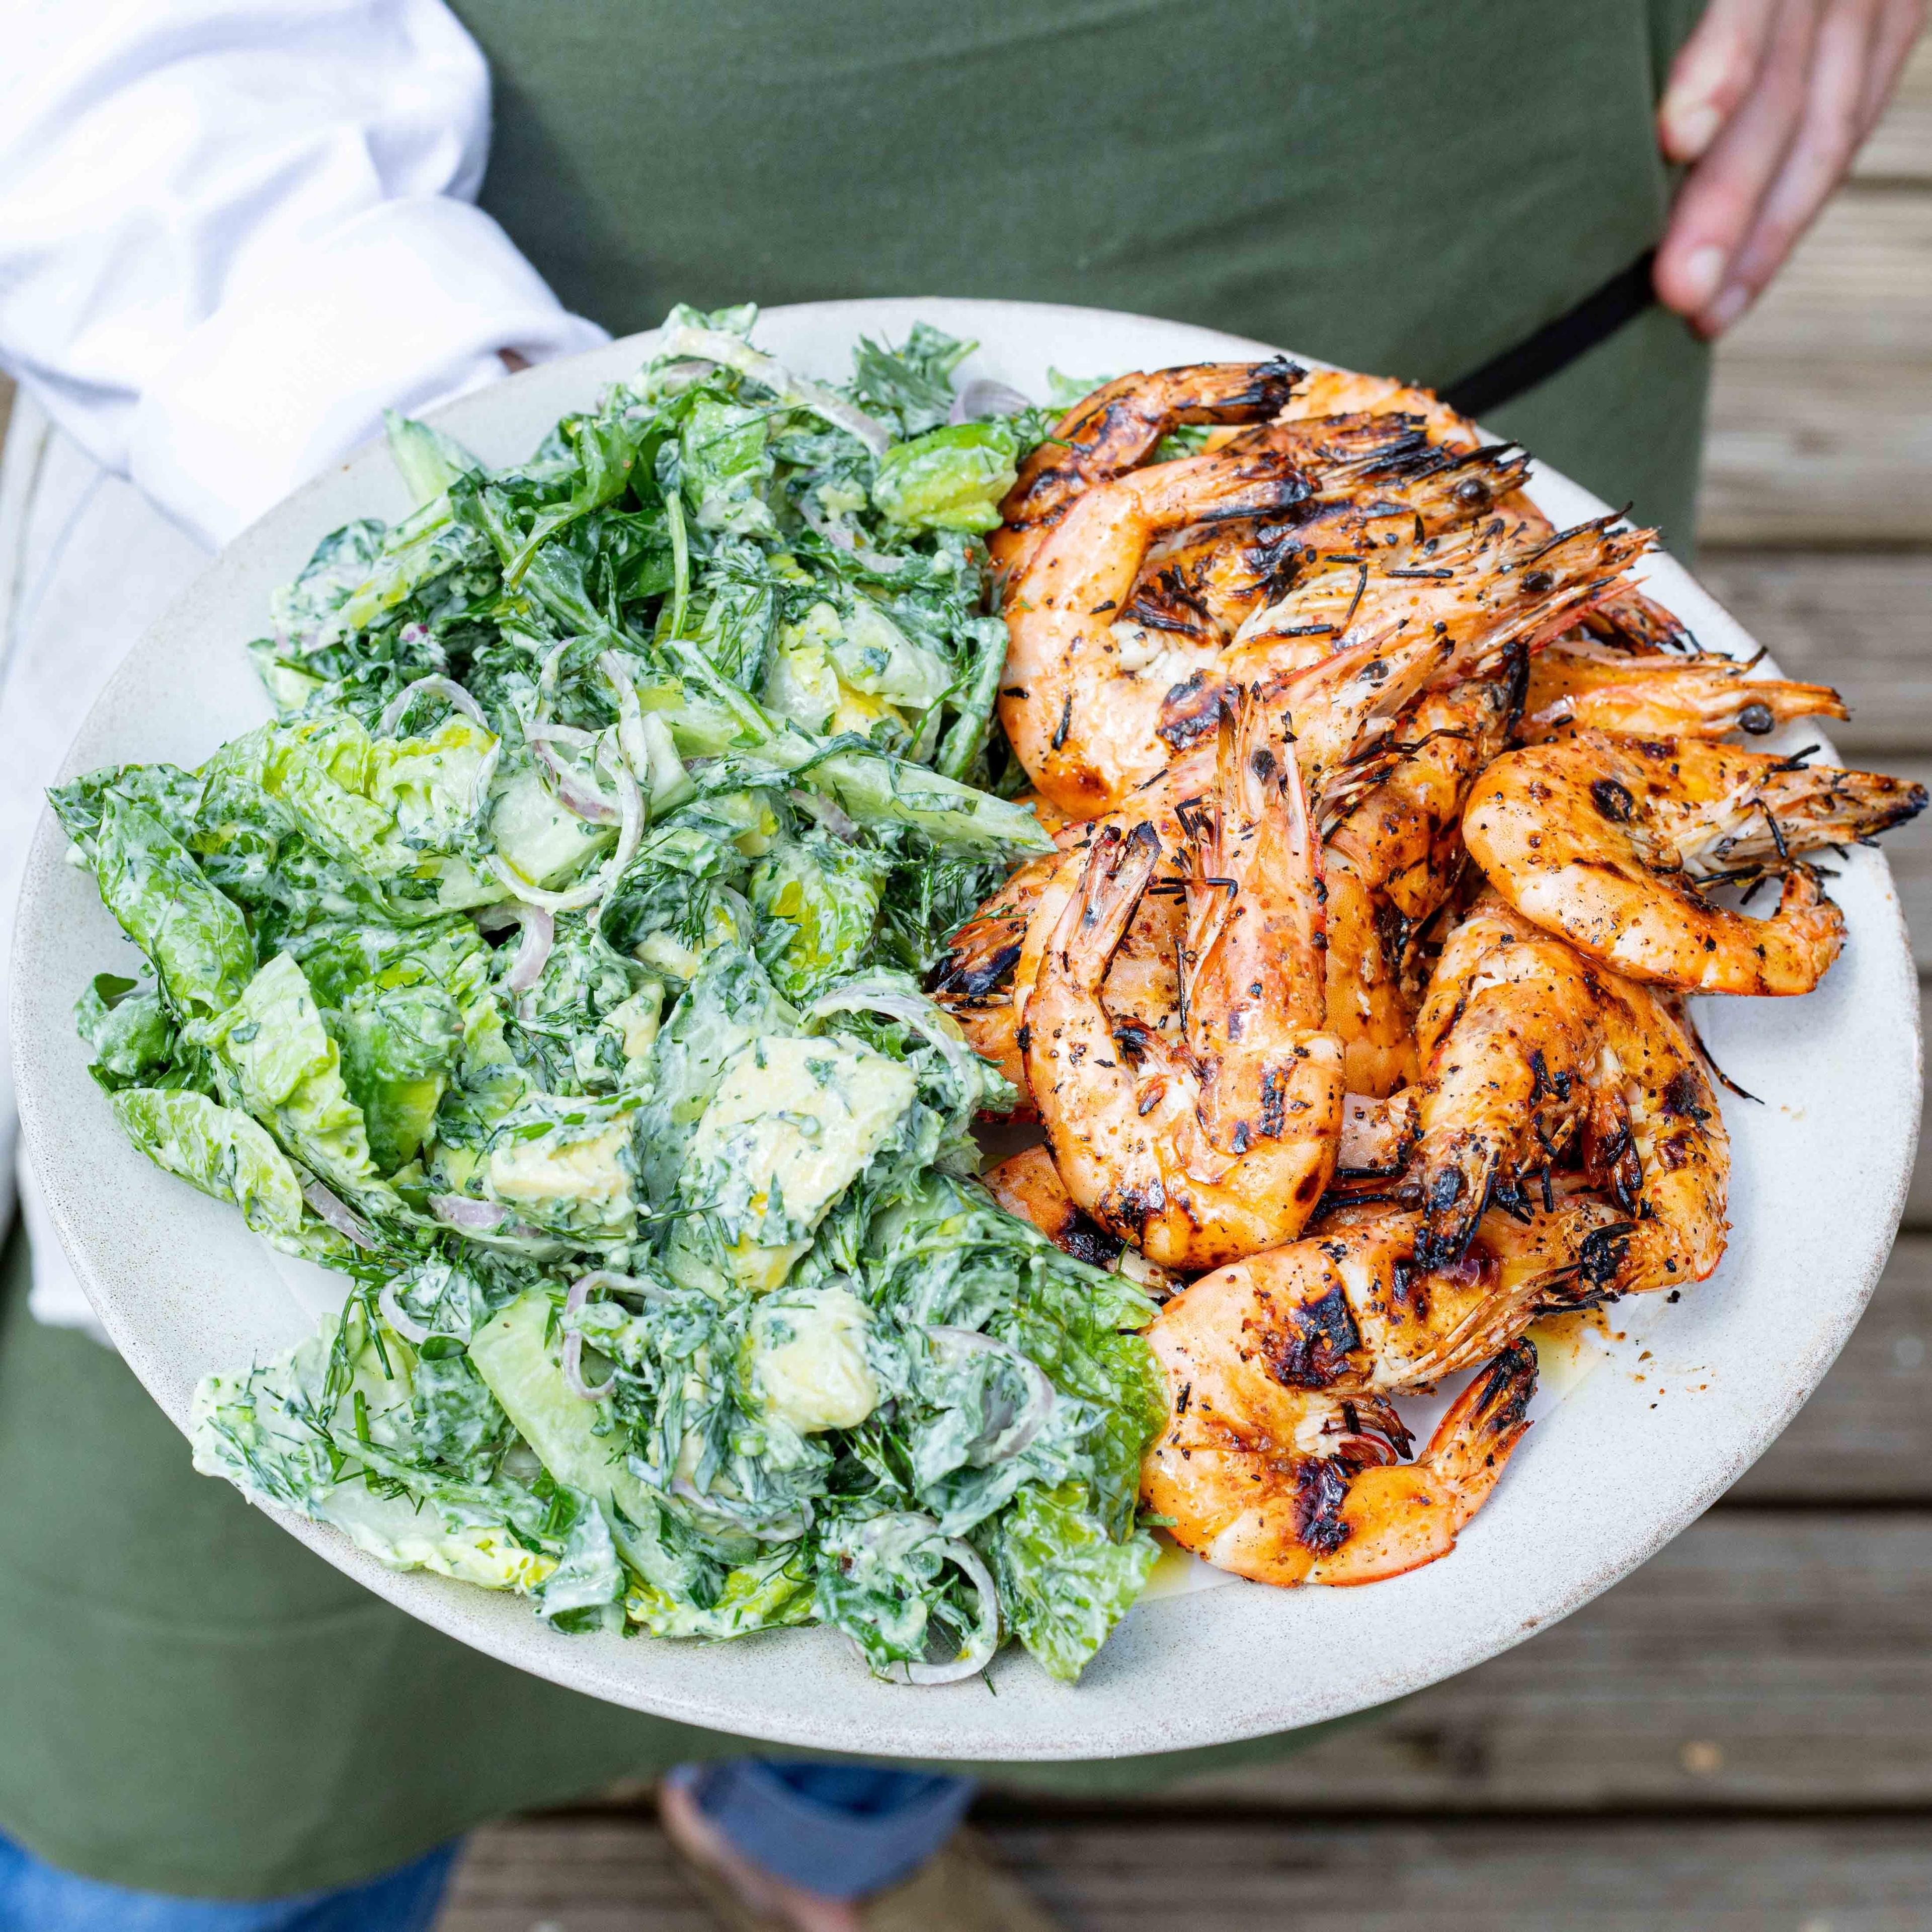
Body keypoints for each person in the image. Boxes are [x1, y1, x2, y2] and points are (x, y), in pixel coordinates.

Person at [0, 1, 1917, 1926]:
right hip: (419, 282)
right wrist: (478, 444)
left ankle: (837, 1828)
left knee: (1000, 1558)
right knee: (220, 1729)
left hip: (1447, 348)